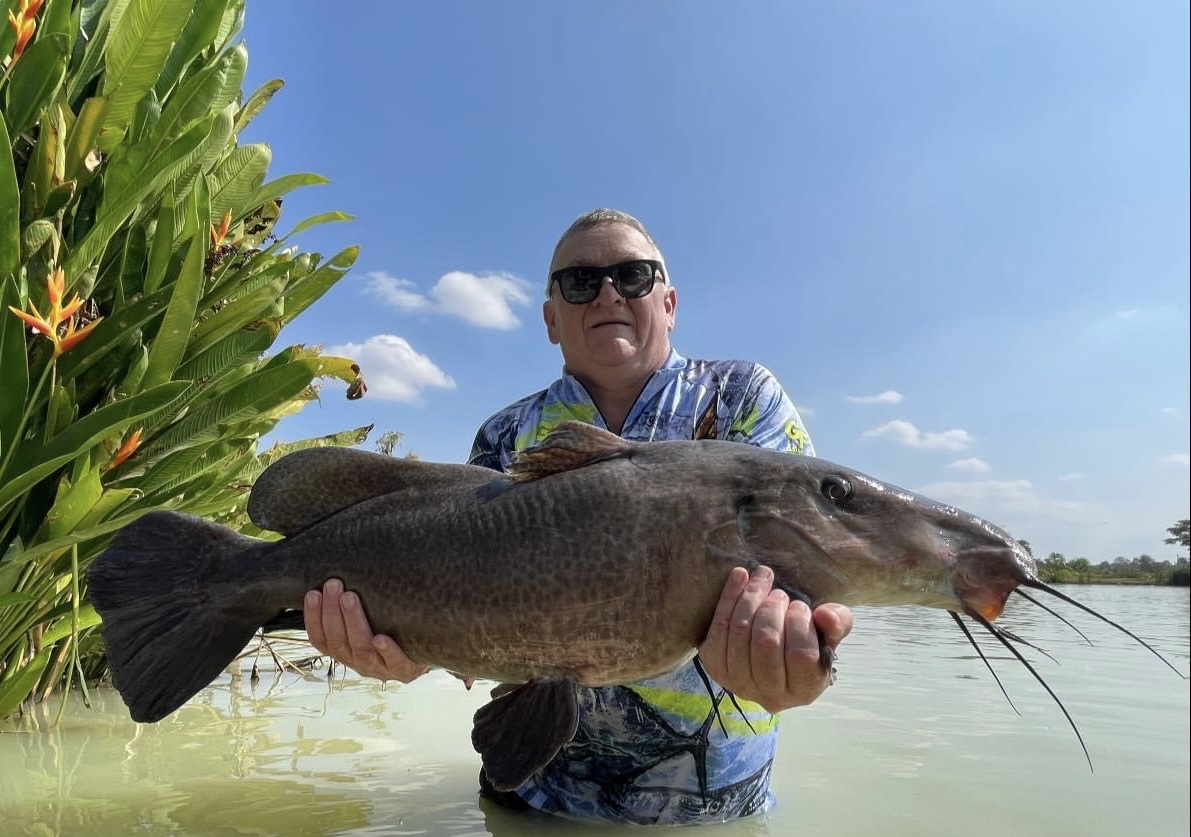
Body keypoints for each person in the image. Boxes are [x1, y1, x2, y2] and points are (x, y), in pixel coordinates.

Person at [304, 209, 854, 825]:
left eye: (634, 275)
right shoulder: (505, 433)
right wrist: (400, 654)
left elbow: (815, 577)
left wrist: (809, 673)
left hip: (716, 811)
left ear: (668, 303)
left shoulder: (743, 399)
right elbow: (455, 606)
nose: (609, 293)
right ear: (550, 319)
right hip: (532, 803)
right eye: (580, 282)